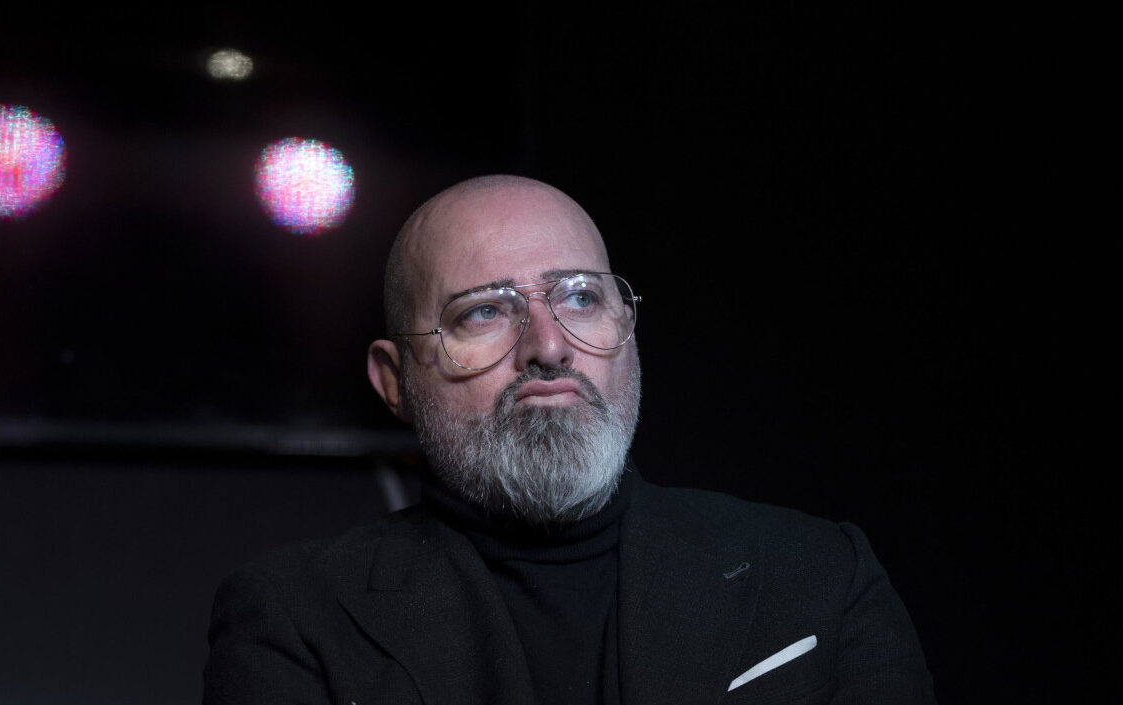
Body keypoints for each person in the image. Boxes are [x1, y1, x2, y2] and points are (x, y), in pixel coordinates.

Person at [202, 175, 936, 704]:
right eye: (484, 311)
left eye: (581, 296)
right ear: (395, 380)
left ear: (628, 331)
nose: (548, 346)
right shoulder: (294, 619)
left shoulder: (819, 574)